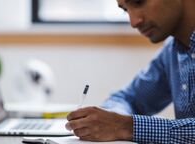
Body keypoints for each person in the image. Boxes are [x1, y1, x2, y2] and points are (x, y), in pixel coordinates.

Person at [65, 0, 195, 143]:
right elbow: (127, 98)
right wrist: (110, 120)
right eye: (125, 10)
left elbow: (123, 124)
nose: (133, 22)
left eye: (138, 2)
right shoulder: (172, 50)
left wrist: (126, 127)